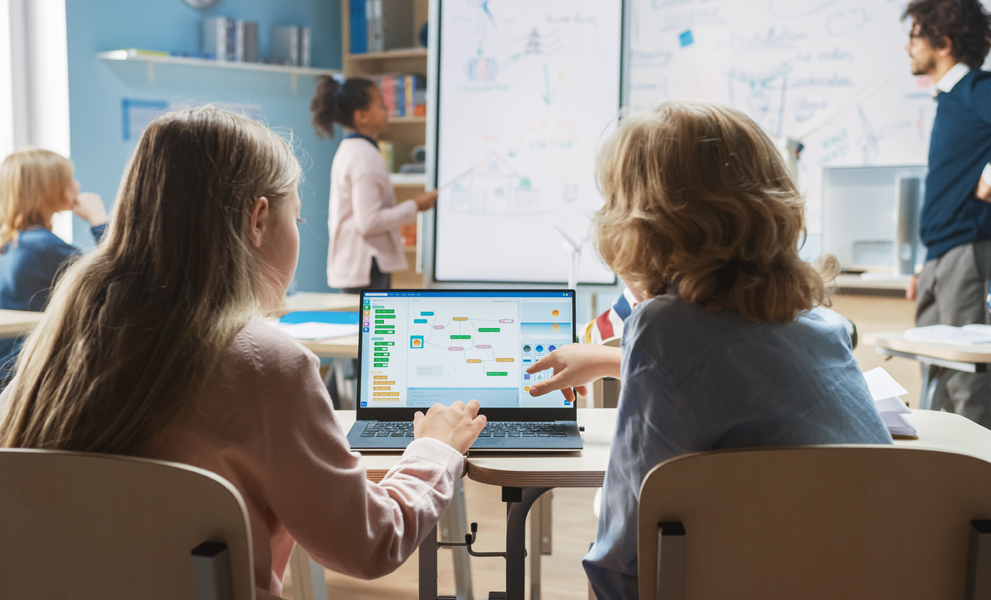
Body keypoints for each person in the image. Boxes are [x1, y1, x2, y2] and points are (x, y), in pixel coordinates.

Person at [0, 107, 486, 600]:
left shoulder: (58, 340)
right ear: (257, 220)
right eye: (295, 218)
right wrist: (435, 451)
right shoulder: (265, 363)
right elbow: (369, 543)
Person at [529, 100, 893, 599]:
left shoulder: (661, 329)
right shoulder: (820, 322)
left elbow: (623, 553)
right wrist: (616, 360)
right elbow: (735, 368)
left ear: (642, 220)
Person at [901, 0, 991, 428]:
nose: (907, 47)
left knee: (968, 388)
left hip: (967, 256)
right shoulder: (950, 100)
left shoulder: (977, 87)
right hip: (940, 257)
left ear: (944, 42)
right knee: (935, 384)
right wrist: (925, 264)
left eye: (914, 36)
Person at [311, 76, 437, 292]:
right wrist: (415, 205)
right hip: (368, 267)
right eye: (380, 105)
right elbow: (369, 222)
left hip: (356, 267)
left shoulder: (350, 150)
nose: (387, 110)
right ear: (361, 116)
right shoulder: (364, 156)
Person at [0, 148, 108, 381]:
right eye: (68, 182)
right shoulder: (44, 247)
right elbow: (112, 283)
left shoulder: (10, 242)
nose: (77, 186)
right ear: (48, 189)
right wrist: (99, 221)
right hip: (27, 372)